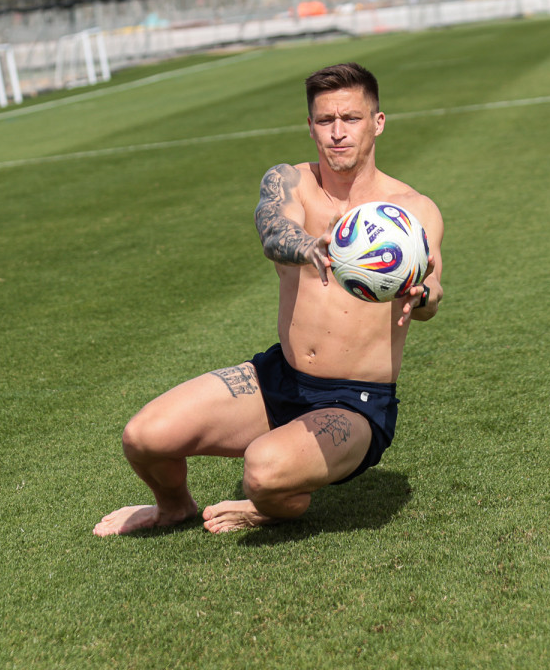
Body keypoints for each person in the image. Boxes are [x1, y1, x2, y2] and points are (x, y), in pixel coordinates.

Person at [94, 62, 444, 535]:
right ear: (310, 127)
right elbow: (273, 230)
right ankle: (173, 507)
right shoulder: (290, 182)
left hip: (356, 403)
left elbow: (433, 294)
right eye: (325, 120)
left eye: (351, 118)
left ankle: (271, 505)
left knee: (261, 472)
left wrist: (420, 297)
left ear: (377, 123)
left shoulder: (414, 212)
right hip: (282, 376)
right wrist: (312, 247)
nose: (338, 132)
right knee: (143, 437)